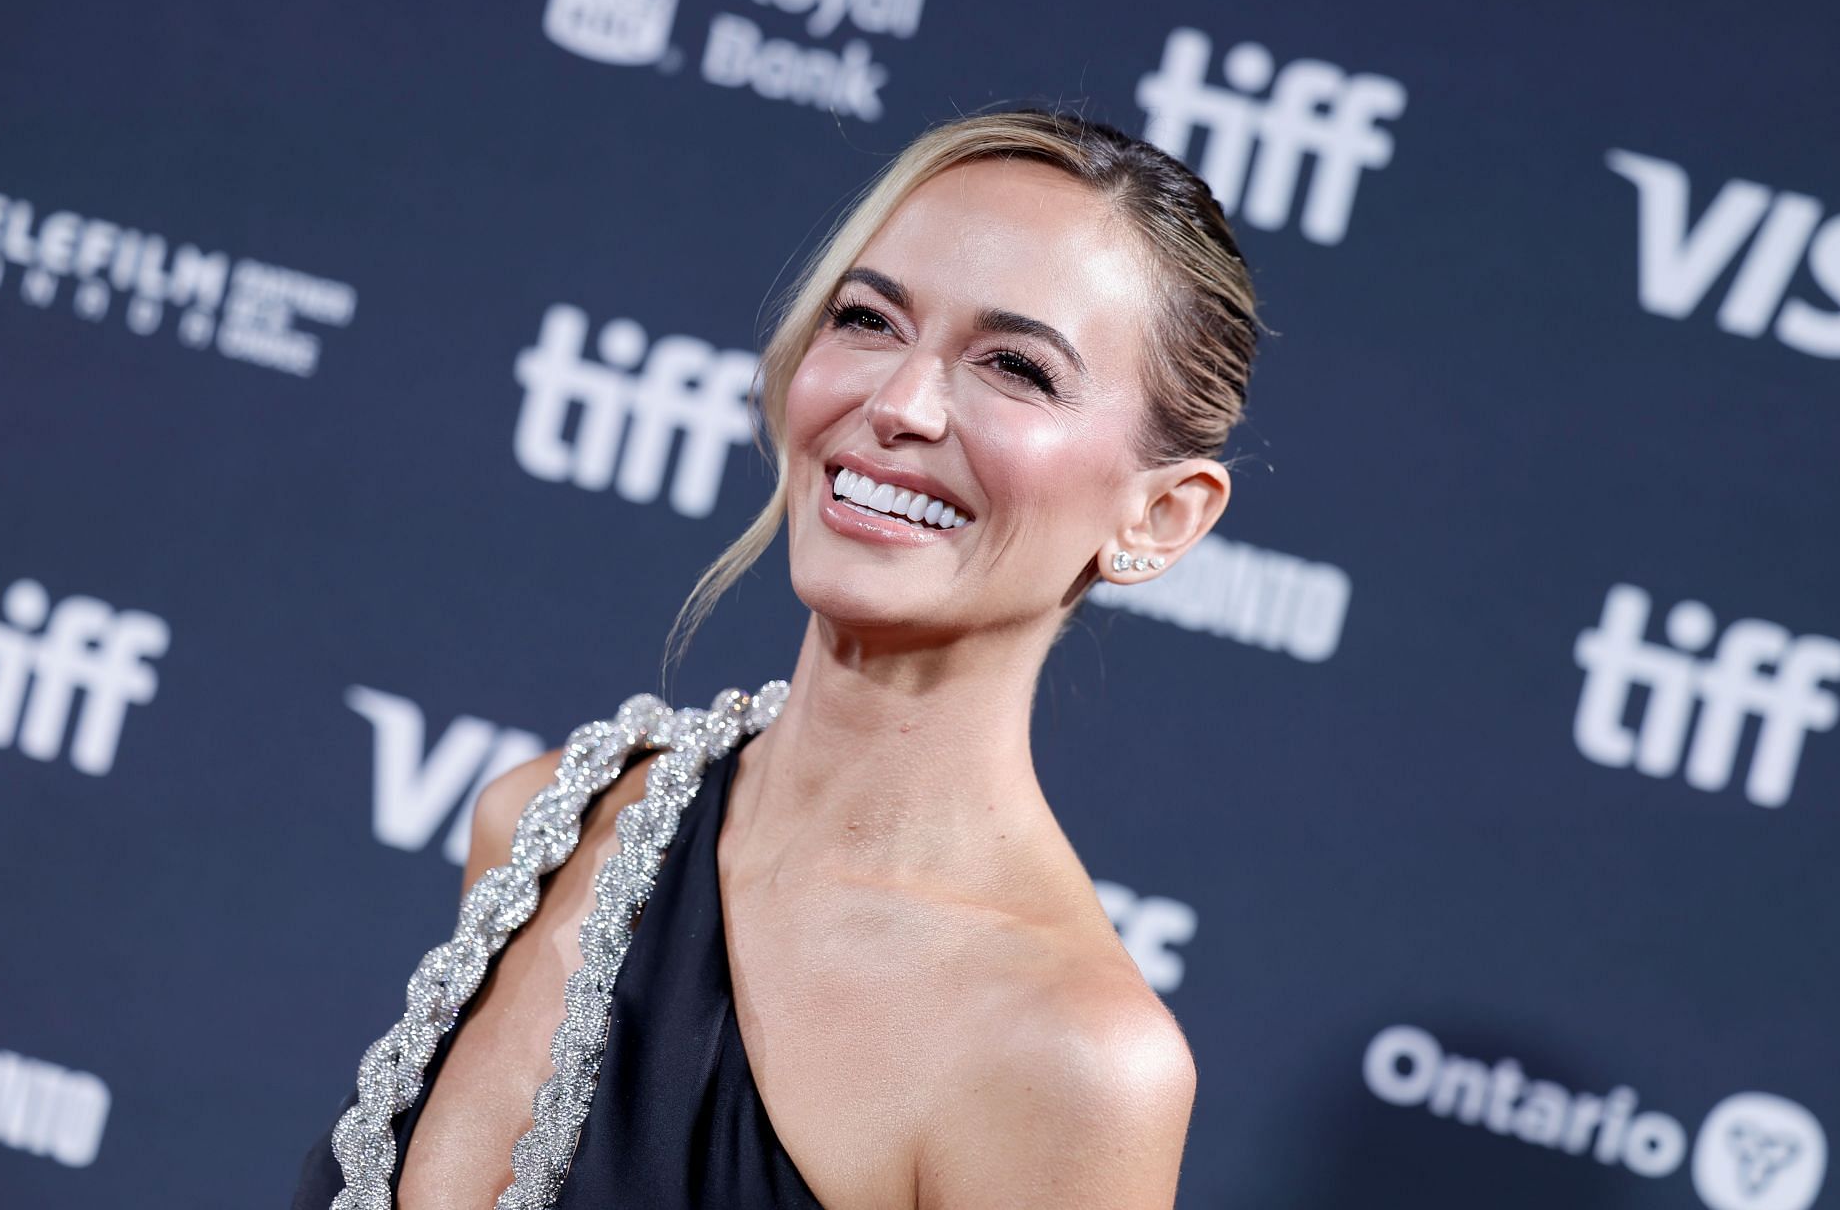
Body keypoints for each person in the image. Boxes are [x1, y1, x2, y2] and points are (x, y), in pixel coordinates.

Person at [292, 107, 1262, 1209]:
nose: (897, 402)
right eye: (867, 318)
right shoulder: (548, 821)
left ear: (1161, 519)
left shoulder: (1071, 1060)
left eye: (1017, 368)